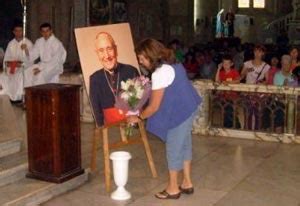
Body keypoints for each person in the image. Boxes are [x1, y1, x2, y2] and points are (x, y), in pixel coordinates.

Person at [128, 38, 201, 199]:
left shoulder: (160, 72)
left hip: (179, 113)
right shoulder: (173, 62)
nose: (140, 62)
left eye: (142, 58)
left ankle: (173, 188)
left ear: (151, 55)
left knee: (174, 148)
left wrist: (138, 117)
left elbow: (154, 107)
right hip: (189, 107)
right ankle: (187, 183)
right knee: (184, 145)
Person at [89, 32, 139, 126]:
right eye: (101, 50)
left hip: (132, 124)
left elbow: (140, 101)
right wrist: (100, 128)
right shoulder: (95, 78)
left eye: (109, 49)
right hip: (110, 128)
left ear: (115, 49)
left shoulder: (131, 71)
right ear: (97, 54)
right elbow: (96, 109)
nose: (107, 55)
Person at [21, 23, 66, 87]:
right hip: (42, 64)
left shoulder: (56, 43)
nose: (45, 33)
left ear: (51, 31)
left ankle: (39, 95)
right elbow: (33, 54)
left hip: (54, 66)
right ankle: (29, 94)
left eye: (47, 31)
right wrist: (26, 50)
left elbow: (56, 60)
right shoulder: (39, 41)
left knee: (39, 76)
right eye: (43, 31)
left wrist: (41, 69)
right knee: (27, 72)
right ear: (41, 32)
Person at [1, 23, 33, 102]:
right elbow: (6, 59)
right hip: (11, 67)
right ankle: (8, 95)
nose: (18, 32)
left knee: (20, 76)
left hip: (23, 67)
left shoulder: (28, 43)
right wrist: (8, 63)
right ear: (13, 32)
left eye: (20, 31)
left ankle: (18, 98)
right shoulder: (11, 44)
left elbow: (31, 59)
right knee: (2, 76)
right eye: (16, 31)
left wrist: (26, 50)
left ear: (23, 31)